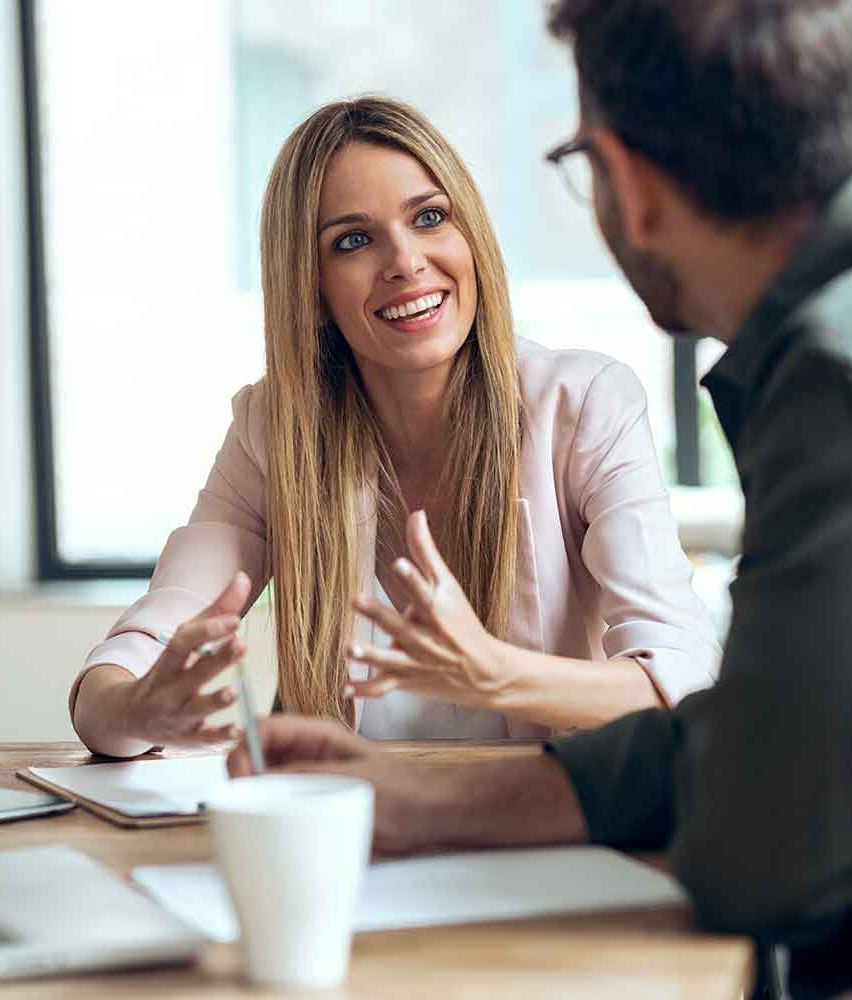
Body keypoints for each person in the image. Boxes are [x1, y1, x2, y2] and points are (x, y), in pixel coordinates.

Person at [229, 3, 852, 995]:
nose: (404, 260)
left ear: (628, 183)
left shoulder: (823, 378)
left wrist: (489, 687)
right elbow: (761, 744)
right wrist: (420, 800)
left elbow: (760, 845)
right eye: (351, 240)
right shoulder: (818, 351)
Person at [69, 96, 718, 758]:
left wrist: (495, 674)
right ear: (312, 288)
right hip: (359, 815)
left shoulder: (582, 404)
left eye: (429, 217)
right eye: (353, 241)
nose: (405, 262)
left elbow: (684, 680)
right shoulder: (274, 430)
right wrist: (138, 709)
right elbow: (121, 677)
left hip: (543, 811)